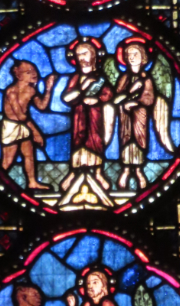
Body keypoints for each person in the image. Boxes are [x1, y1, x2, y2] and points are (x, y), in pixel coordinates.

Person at [61, 40, 113, 200]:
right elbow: (67, 97)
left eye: (85, 53)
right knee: (77, 140)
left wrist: (98, 100)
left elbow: (108, 94)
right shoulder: (76, 77)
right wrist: (83, 87)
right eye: (78, 55)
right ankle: (73, 172)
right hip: (79, 115)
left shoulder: (100, 77)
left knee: (95, 140)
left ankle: (98, 173)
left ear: (94, 55)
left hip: (96, 115)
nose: (81, 57)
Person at [1, 61, 57, 190]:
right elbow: (20, 116)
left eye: (34, 71)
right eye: (28, 72)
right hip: (11, 127)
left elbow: (42, 106)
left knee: (29, 155)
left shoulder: (31, 90)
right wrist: (35, 132)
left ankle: (32, 182)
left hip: (24, 125)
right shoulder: (12, 92)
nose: (34, 74)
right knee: (8, 159)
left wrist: (48, 89)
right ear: (19, 75)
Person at [113, 39, 156, 191]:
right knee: (125, 141)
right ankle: (125, 170)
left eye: (135, 54)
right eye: (129, 54)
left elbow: (149, 98)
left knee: (138, 141)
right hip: (125, 116)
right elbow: (117, 97)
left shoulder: (146, 78)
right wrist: (128, 95)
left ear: (143, 57)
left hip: (139, 115)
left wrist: (136, 102)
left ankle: (138, 171)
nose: (131, 57)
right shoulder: (124, 78)